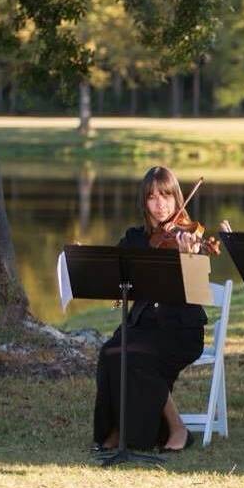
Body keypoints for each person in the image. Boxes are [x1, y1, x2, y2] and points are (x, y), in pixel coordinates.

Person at [93, 166, 207, 453]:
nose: (160, 204)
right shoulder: (135, 239)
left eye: (166, 196)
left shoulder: (190, 238)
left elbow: (196, 292)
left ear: (177, 198)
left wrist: (188, 257)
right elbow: (116, 276)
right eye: (152, 197)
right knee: (110, 352)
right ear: (144, 202)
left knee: (135, 356)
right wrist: (93, 264)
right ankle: (117, 429)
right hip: (142, 326)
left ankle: (175, 428)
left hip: (180, 330)